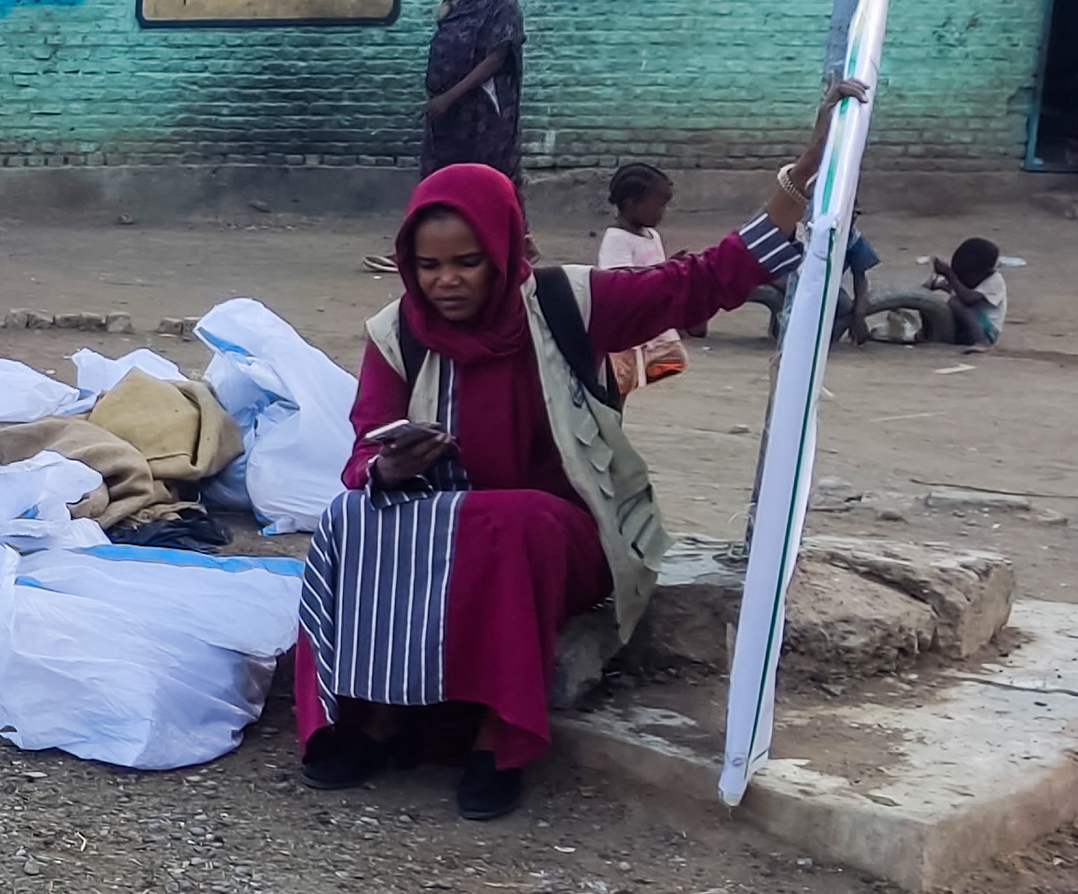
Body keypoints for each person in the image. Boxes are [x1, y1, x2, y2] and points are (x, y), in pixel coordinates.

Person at [296, 81, 855, 822]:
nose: (447, 280)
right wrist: (388, 466)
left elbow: (702, 281)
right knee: (348, 519)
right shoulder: (396, 331)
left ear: (501, 251)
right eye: (429, 266)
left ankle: (503, 733)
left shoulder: (567, 301)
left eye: (466, 261)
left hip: (566, 530)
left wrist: (800, 179)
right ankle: (372, 713)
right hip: (448, 526)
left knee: (513, 519)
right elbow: (364, 448)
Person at [421, 0, 525, 183]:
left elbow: (495, 59)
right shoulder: (461, 4)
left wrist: (449, 97)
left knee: (481, 177)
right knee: (443, 175)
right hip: (448, 110)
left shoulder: (503, 6)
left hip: (480, 112)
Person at [595, 164, 685, 400]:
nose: (662, 212)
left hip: (645, 319)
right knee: (617, 386)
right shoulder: (617, 239)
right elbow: (621, 280)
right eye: (658, 205)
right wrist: (665, 270)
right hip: (624, 325)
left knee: (633, 380)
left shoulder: (652, 236)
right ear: (631, 204)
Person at [926, 237, 1009, 351]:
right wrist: (935, 286)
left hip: (986, 330)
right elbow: (954, 289)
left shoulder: (994, 281)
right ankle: (924, 334)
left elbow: (968, 299)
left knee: (955, 302)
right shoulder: (969, 278)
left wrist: (950, 275)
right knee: (929, 303)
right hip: (963, 330)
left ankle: (981, 342)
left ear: (985, 272)